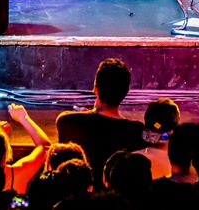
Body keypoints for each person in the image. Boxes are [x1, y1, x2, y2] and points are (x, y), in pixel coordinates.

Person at [55, 58, 146, 189]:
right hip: (116, 199)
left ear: (95, 88)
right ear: (126, 92)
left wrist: (85, 115)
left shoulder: (67, 121)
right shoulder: (137, 131)